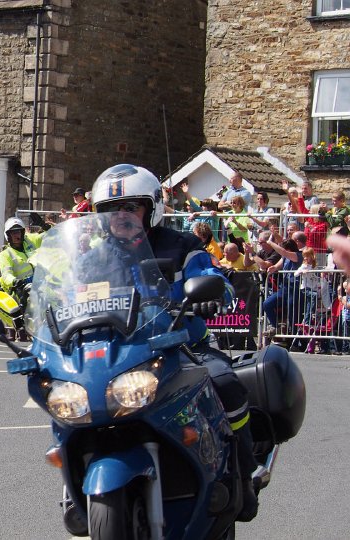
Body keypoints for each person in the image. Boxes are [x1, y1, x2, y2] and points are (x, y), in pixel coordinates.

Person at [90, 163, 259, 521]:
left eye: (130, 208)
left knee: (226, 383)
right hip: (118, 353)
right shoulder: (95, 257)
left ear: (152, 208)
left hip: (182, 346)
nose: (120, 217)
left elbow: (215, 278)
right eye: (110, 211)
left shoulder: (183, 246)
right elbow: (66, 293)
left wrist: (214, 294)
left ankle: (243, 475)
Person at [0, 216, 43, 340]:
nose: (17, 235)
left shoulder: (31, 242)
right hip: (21, 289)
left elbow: (50, 237)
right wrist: (15, 281)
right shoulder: (6, 254)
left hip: (40, 285)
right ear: (8, 236)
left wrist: (45, 226)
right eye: (13, 233)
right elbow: (6, 274)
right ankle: (23, 333)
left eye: (18, 231)